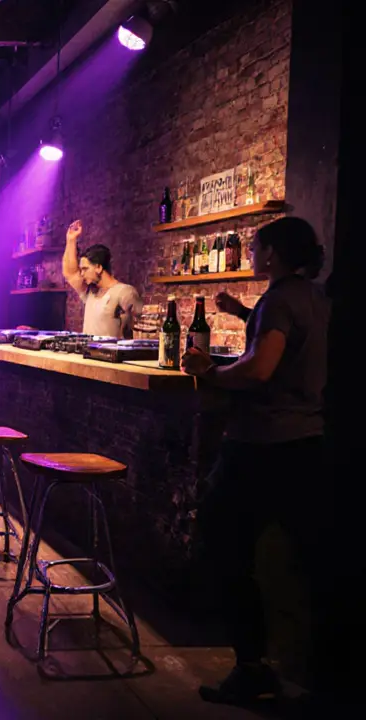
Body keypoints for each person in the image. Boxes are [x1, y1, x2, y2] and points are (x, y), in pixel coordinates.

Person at [181, 217, 328, 707]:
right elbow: (287, 345)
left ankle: (251, 668)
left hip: (261, 444)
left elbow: (261, 367)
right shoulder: (314, 297)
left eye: (256, 246)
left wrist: (211, 371)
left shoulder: (279, 300)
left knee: (222, 545)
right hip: (308, 442)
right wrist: (244, 312)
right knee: (303, 559)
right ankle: (316, 672)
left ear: (273, 254)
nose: (250, 253)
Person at [61, 220, 142, 339]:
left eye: (85, 269)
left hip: (111, 351)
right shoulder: (90, 292)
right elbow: (70, 273)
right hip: (88, 350)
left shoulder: (124, 292)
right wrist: (71, 240)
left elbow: (142, 327)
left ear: (98, 267)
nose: (81, 274)